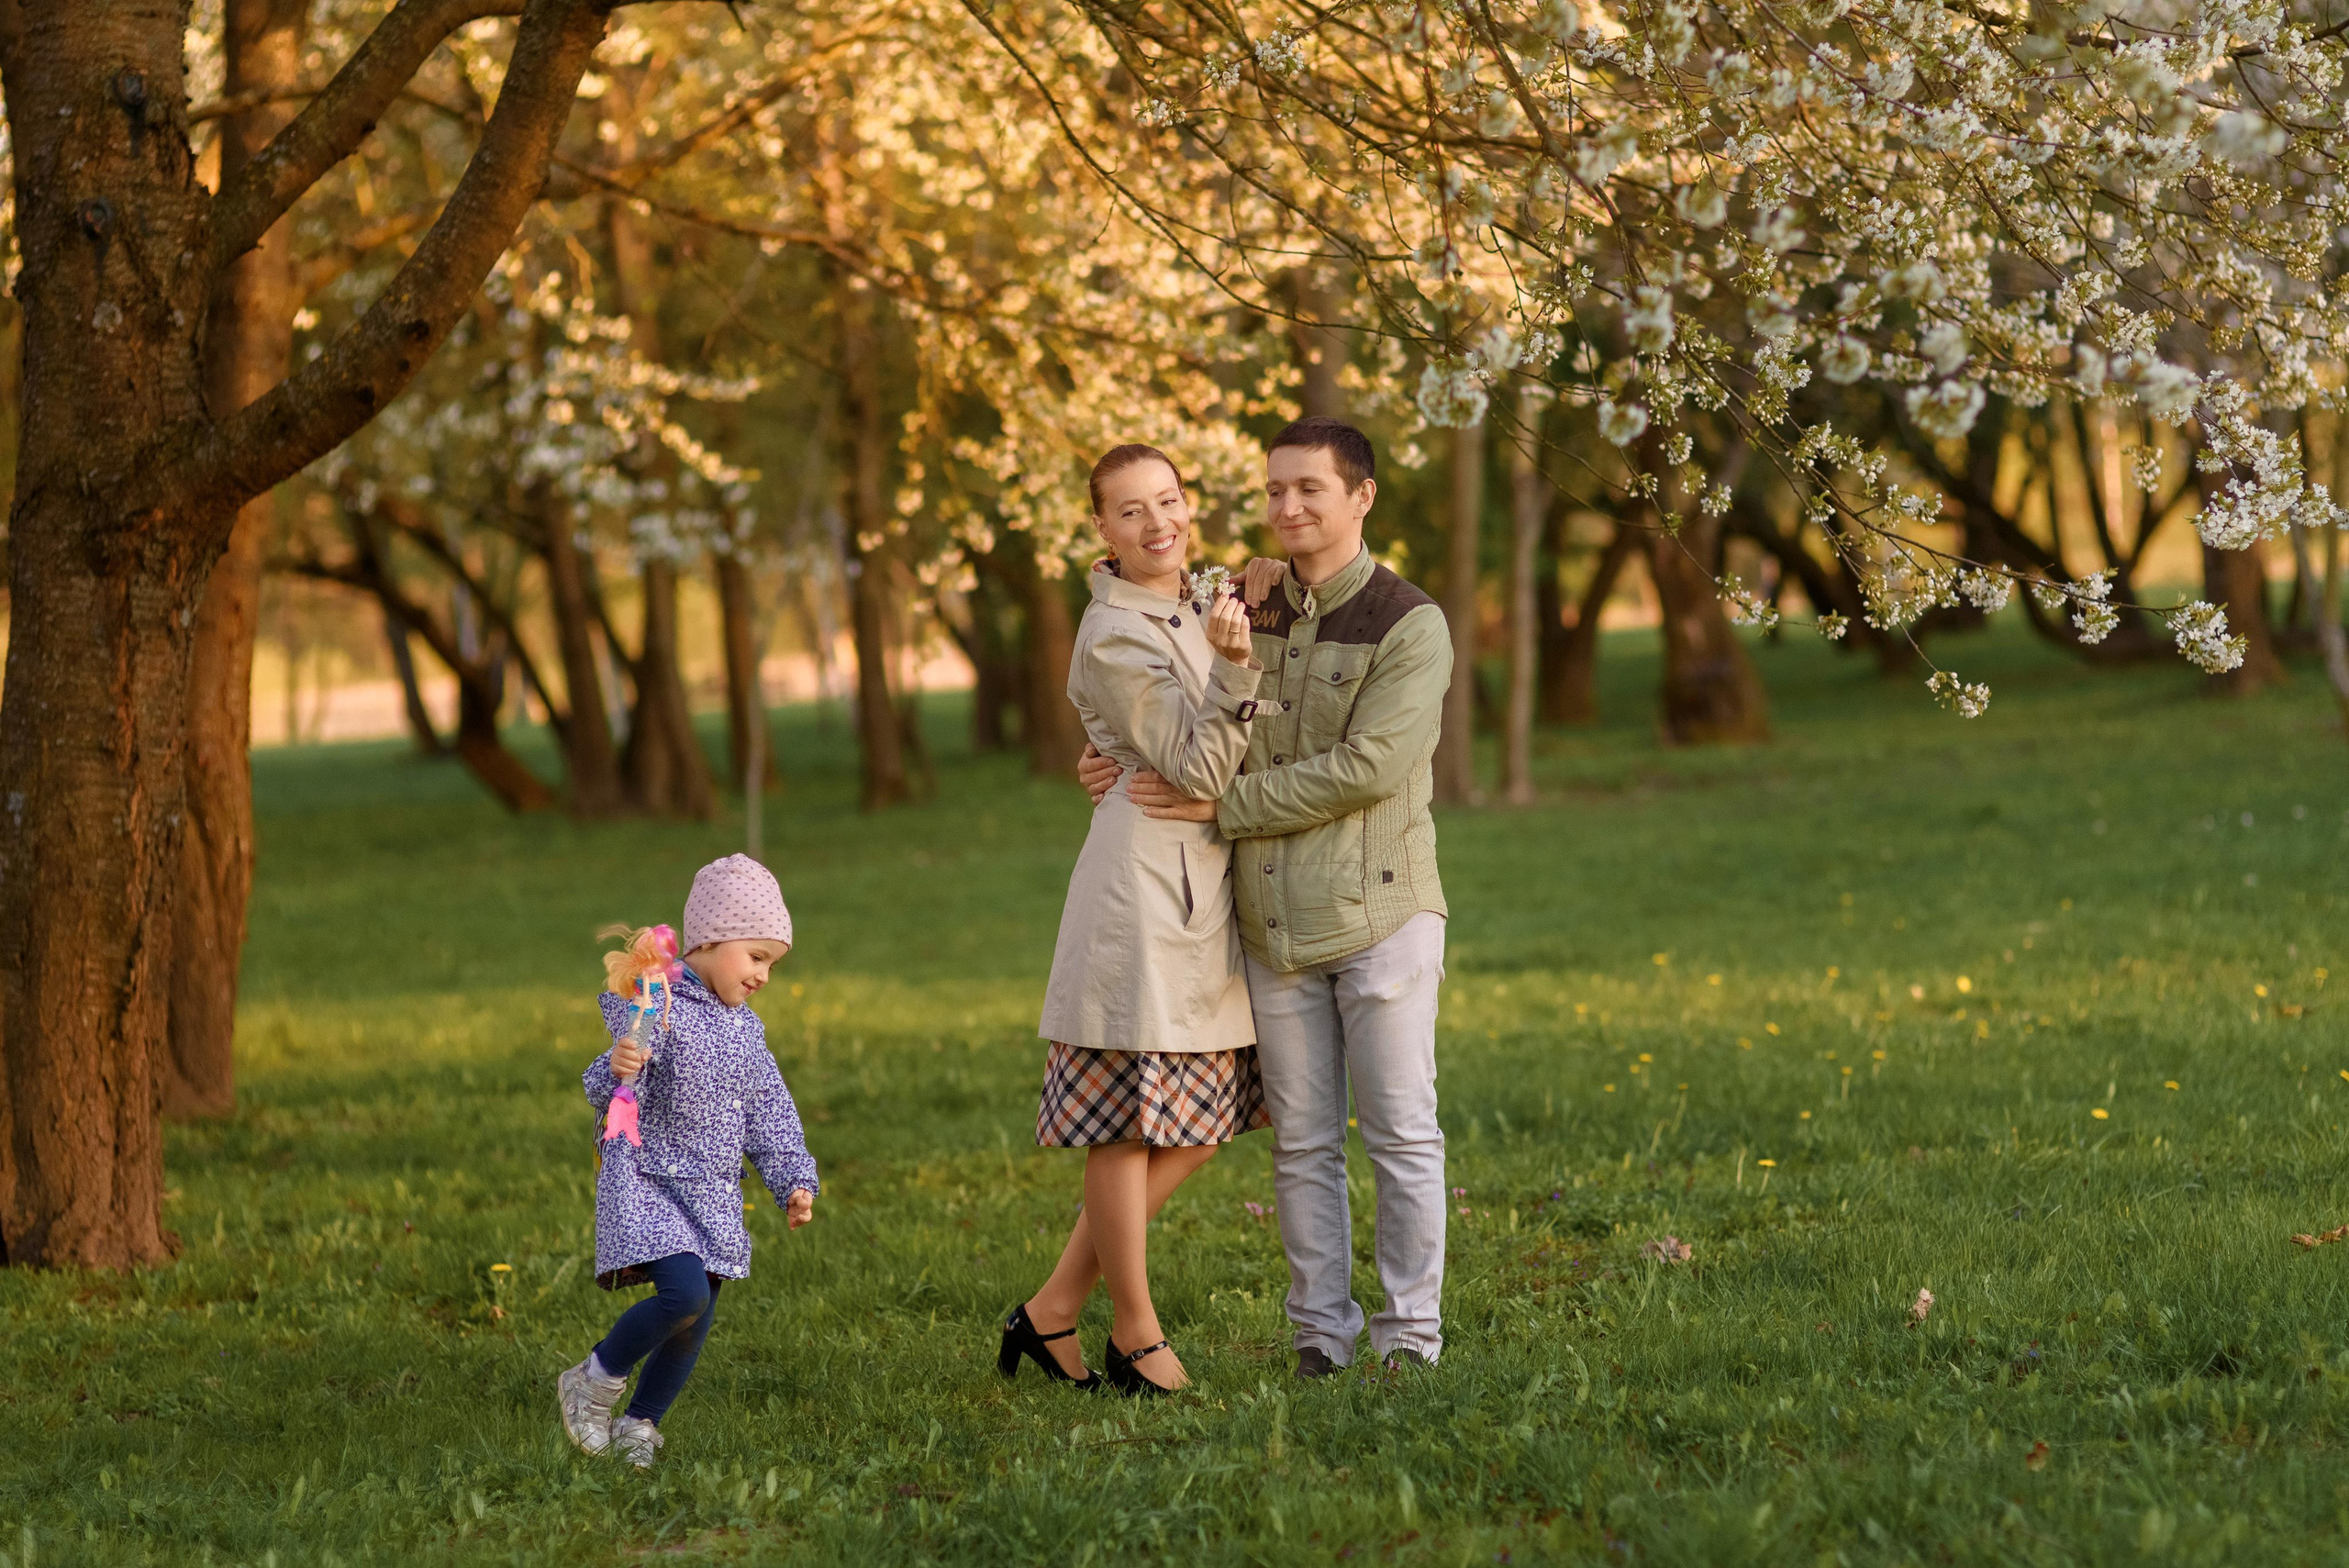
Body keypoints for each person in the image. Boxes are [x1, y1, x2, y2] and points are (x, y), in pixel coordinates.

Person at [1078, 416, 1453, 1377]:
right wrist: (1109, 757)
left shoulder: (1410, 622)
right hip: (1269, 918)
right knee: (1303, 1143)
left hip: (1378, 911)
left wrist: (1224, 803)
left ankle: (1409, 1335)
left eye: (1309, 490)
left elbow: (1368, 767)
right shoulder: (1241, 600)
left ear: (1360, 496)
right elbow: (1165, 690)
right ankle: (1318, 1335)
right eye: (1275, 489)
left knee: (1402, 1131)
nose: (1287, 506)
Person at [1002, 443, 1269, 1398]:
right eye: (1129, 510)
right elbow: (1197, 768)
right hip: (1144, 897)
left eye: (1168, 499)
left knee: (1195, 1125)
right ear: (1101, 530)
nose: (1157, 522)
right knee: (1128, 1123)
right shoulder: (1115, 631)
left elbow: (1211, 745)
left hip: (1197, 888)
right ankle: (1135, 1329)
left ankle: (1048, 1309)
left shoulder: (1199, 598)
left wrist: (1231, 650)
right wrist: (1236, 671)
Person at [555, 854, 818, 1467]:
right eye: (756, 957)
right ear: (709, 939)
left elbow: (769, 1108)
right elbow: (615, 1085)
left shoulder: (746, 1032)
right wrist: (615, 1066)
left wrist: (793, 1179)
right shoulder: (659, 1005)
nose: (764, 976)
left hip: (713, 1194)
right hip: (654, 1182)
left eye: (772, 964)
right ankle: (593, 1380)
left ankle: (639, 1426)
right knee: (682, 1296)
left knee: (694, 1321)